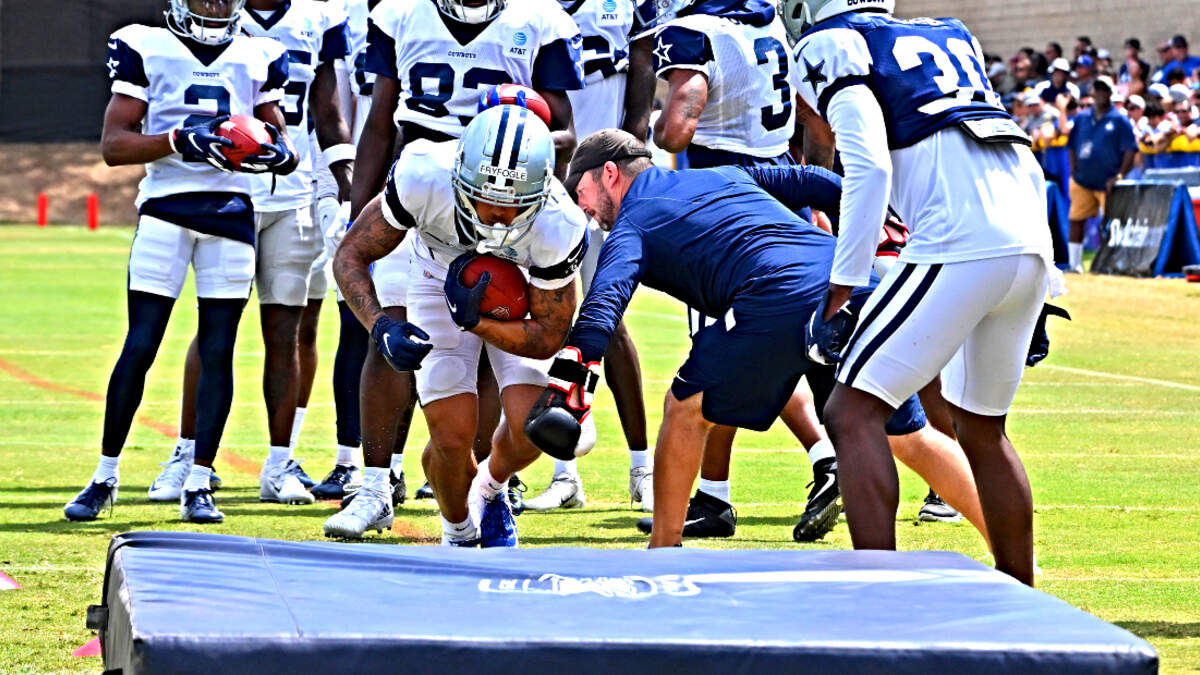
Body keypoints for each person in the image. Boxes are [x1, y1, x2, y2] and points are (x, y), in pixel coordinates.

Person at [523, 130, 991, 551]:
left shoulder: (634, 220)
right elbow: (811, 180)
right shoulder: (723, 174)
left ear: (609, 174)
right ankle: (1008, 546)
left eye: (580, 191)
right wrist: (882, 228)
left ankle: (661, 555)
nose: (582, 208)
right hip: (848, 281)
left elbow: (604, 301)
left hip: (776, 296)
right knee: (910, 437)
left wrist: (568, 384)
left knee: (684, 408)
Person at [785, 0, 1059, 585]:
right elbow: (1008, 143)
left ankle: (878, 596)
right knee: (982, 427)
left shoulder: (831, 43)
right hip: (1028, 234)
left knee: (851, 410)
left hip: (958, 239)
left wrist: (844, 284)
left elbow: (869, 166)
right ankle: (1022, 594)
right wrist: (1046, 274)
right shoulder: (950, 36)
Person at [340, 0, 585, 510]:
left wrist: (480, 323)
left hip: (517, 268)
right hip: (433, 257)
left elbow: (548, 337)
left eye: (511, 203)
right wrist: (379, 323)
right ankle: (425, 511)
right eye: (484, 199)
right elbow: (349, 257)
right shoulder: (423, 174)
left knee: (534, 425)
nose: (496, 214)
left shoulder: (557, 221)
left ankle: (491, 488)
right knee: (445, 433)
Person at [65, 0, 296, 523]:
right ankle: (104, 475)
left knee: (219, 350)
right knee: (141, 344)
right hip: (166, 211)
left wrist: (279, 154)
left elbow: (280, 139)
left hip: (232, 216)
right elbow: (113, 144)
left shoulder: (260, 54)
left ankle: (198, 481)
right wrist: (177, 139)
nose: (215, 5)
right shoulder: (145, 44)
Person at [637, 0, 846, 542]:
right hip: (785, 180)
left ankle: (825, 457)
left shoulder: (697, 29)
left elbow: (679, 130)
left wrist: (658, 126)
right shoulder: (769, 20)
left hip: (728, 195)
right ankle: (714, 496)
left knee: (726, 352)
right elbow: (815, 122)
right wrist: (817, 187)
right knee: (763, 342)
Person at [523, 0, 657, 513]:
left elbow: (642, 69)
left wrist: (630, 163)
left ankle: (641, 467)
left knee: (610, 321)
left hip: (607, 180)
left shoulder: (628, 6)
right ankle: (564, 472)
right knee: (545, 319)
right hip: (540, 181)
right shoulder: (524, 11)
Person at [1067, 76, 1136, 273]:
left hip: (1108, 181)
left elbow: (1130, 151)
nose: (1100, 93)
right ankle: (1074, 264)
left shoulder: (1120, 119)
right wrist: (1073, 170)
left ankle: (1111, 264)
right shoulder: (1081, 118)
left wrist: (1120, 176)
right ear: (1092, 92)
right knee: (1076, 219)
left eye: (1104, 89)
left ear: (1110, 92)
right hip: (1082, 180)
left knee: (1112, 223)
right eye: (1096, 89)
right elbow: (1071, 146)